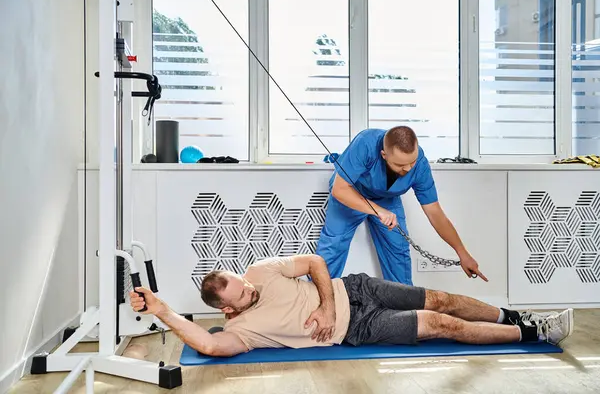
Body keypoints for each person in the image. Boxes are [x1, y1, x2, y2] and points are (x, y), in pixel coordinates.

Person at [129, 254, 573, 357]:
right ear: (228, 310)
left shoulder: (260, 272)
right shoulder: (242, 332)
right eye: (241, 295)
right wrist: (163, 312)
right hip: (357, 328)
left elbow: (316, 262)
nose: (250, 289)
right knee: (440, 322)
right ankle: (535, 332)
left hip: (356, 290)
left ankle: (513, 315)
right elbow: (207, 347)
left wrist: (323, 304)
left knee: (445, 298)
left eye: (243, 282)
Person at [315, 126, 484, 285]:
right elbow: (339, 189)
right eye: (400, 165)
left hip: (386, 198)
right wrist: (377, 211)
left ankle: (403, 308)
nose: (408, 169)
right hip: (351, 192)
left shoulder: (420, 165)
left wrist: (462, 253)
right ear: (383, 155)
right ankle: (313, 302)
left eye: (412, 162)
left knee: (398, 252)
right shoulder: (365, 143)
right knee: (333, 247)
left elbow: (435, 212)